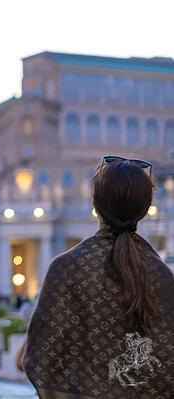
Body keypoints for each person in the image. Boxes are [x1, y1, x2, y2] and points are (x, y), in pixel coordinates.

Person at [24, 156, 174, 397]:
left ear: (94, 202)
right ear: (145, 209)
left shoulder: (66, 268)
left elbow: (39, 358)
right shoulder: (164, 277)